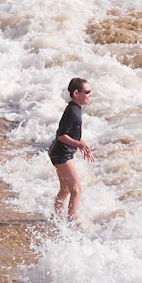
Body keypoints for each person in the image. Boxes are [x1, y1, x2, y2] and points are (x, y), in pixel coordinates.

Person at [49, 76, 93, 221]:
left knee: (66, 189)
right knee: (76, 189)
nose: (90, 95)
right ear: (76, 93)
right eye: (87, 92)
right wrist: (78, 145)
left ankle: (55, 218)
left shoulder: (75, 109)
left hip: (59, 152)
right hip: (62, 154)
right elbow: (61, 135)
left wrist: (83, 144)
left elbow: (73, 134)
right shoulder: (72, 111)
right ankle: (71, 224)